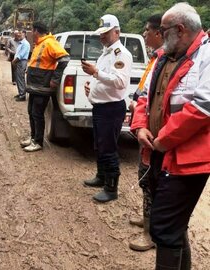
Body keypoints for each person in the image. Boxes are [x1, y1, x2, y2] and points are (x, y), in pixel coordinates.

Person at [131, 3, 209, 269]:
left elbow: (202, 108)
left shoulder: (206, 56)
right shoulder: (163, 56)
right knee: (174, 226)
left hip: (185, 159)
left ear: (180, 29)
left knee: (164, 226)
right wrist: (140, 127)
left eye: (162, 31)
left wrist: (164, 139)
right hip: (157, 151)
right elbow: (144, 96)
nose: (158, 36)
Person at [82, 14, 133, 203]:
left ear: (117, 32)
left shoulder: (121, 54)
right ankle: (101, 176)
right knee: (99, 145)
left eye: (106, 33)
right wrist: (92, 87)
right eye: (100, 33)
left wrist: (95, 72)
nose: (101, 37)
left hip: (111, 109)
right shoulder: (106, 53)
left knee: (108, 147)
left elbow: (120, 82)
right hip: (101, 107)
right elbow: (105, 78)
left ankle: (111, 189)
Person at [128, 14, 163, 252]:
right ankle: (147, 220)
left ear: (160, 33)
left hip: (154, 135)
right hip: (145, 127)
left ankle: (150, 233)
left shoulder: (166, 60)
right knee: (145, 179)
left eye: (147, 31)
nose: (144, 35)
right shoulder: (156, 58)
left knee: (152, 182)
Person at [20, 22, 69, 152]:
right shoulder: (40, 43)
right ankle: (33, 138)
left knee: (37, 114)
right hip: (34, 86)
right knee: (31, 112)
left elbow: (64, 59)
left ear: (36, 31)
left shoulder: (49, 43)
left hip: (42, 86)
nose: (31, 33)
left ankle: (38, 142)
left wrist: (55, 78)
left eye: (32, 30)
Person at [12, 30, 30, 101]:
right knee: (18, 78)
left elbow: (21, 55)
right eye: (19, 33)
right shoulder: (21, 43)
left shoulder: (25, 43)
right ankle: (20, 93)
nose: (19, 35)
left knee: (20, 78)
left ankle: (22, 95)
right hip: (19, 62)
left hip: (21, 62)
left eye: (21, 33)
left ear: (25, 35)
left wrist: (14, 61)